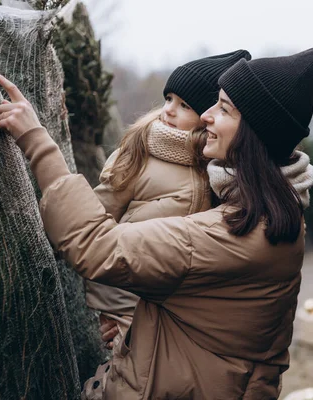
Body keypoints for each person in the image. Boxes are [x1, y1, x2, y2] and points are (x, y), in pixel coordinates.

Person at [0, 45, 313, 399]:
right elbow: (197, 314)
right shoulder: (277, 213)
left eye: (224, 109)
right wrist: (137, 328)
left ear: (255, 134)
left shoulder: (230, 233)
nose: (207, 116)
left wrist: (37, 140)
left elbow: (97, 246)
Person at [87, 50, 251, 353]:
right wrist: (116, 314)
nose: (169, 110)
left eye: (184, 104)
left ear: (207, 116)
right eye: (169, 99)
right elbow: (96, 225)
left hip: (178, 318)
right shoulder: (137, 151)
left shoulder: (220, 170)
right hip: (122, 308)